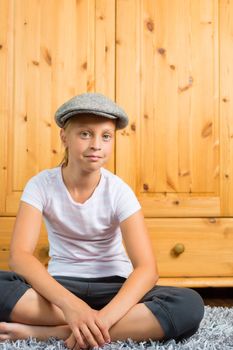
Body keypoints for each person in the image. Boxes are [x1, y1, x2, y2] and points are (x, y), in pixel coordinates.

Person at [0, 93, 204, 350]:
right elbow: (19, 256)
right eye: (85, 134)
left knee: (188, 305)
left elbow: (147, 269)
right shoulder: (41, 185)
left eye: (106, 136)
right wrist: (71, 306)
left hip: (113, 288)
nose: (97, 144)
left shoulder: (119, 191)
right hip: (61, 287)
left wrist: (103, 317)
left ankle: (49, 333)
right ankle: (92, 323)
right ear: (64, 136)